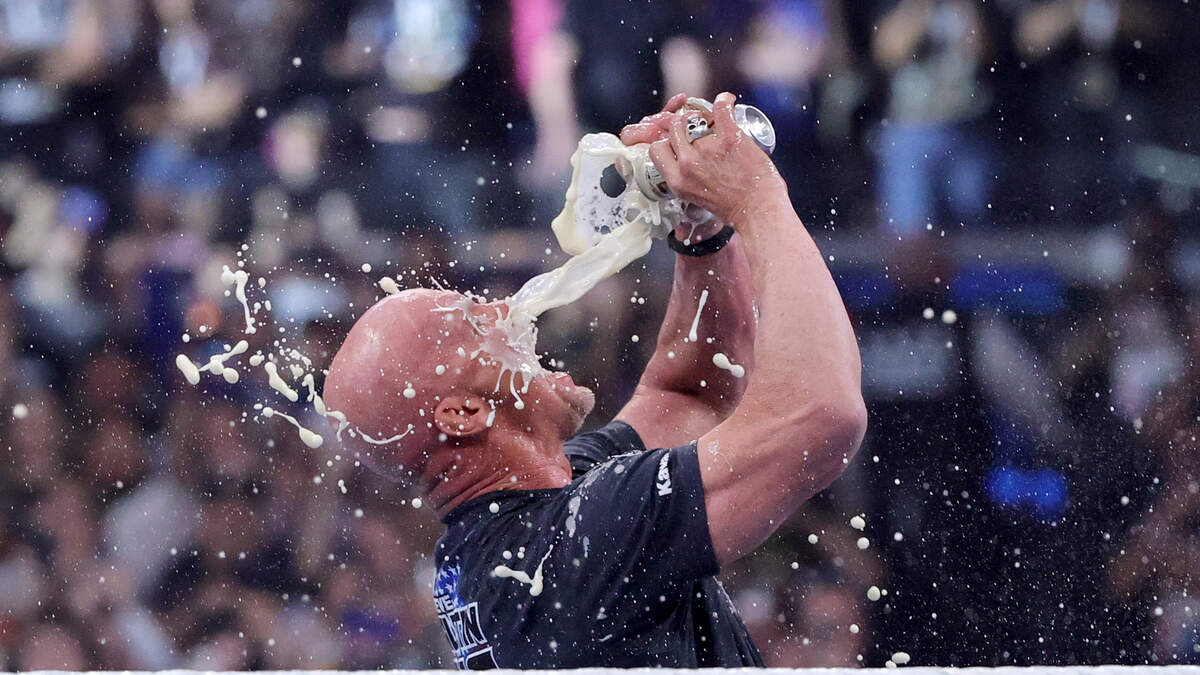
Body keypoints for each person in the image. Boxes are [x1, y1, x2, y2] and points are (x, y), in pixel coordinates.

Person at [323, 92, 867, 668]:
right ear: (463, 414)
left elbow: (690, 395)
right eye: (476, 321)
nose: (506, 310)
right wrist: (756, 197)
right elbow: (821, 414)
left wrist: (700, 225)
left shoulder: (525, 528)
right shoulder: (567, 548)